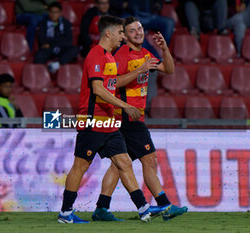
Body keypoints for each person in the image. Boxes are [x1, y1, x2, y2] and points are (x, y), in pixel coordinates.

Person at [57, 15, 171, 224]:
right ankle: (65, 213)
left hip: (109, 121)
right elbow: (98, 90)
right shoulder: (95, 55)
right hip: (92, 120)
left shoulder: (109, 57)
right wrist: (126, 106)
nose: (122, 37)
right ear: (108, 33)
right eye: (120, 32)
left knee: (124, 162)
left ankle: (144, 209)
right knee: (80, 166)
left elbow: (111, 88)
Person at [92, 16, 188, 222]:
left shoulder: (145, 53)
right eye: (133, 30)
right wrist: (139, 71)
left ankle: (101, 208)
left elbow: (169, 70)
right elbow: (111, 83)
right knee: (149, 159)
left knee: (118, 165)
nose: (139, 32)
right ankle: (164, 205)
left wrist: (165, 50)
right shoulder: (122, 55)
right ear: (124, 36)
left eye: (140, 28)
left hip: (133, 116)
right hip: (127, 116)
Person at [34, 2, 78, 73]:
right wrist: (57, 41)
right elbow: (42, 39)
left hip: (61, 48)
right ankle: (41, 75)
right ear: (48, 13)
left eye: (56, 12)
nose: (53, 14)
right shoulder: (43, 23)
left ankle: (56, 64)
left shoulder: (66, 23)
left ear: (60, 13)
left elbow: (68, 41)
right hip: (49, 49)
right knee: (39, 56)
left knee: (74, 50)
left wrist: (52, 42)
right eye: (51, 12)